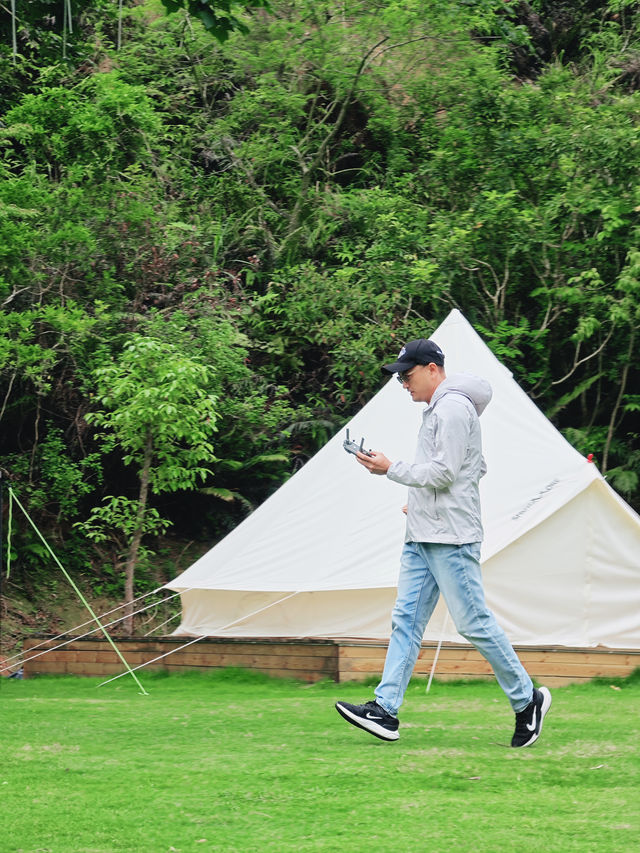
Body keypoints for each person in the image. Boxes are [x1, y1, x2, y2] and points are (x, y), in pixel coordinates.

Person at [335, 338, 551, 748]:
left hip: (451, 538)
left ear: (432, 368)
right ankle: (386, 711)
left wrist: (391, 469)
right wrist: (421, 501)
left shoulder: (452, 408)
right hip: (425, 531)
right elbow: (474, 466)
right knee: (406, 621)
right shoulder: (441, 408)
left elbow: (446, 472)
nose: (402, 383)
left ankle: (528, 701)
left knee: (473, 623)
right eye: (399, 376)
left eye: (407, 374)